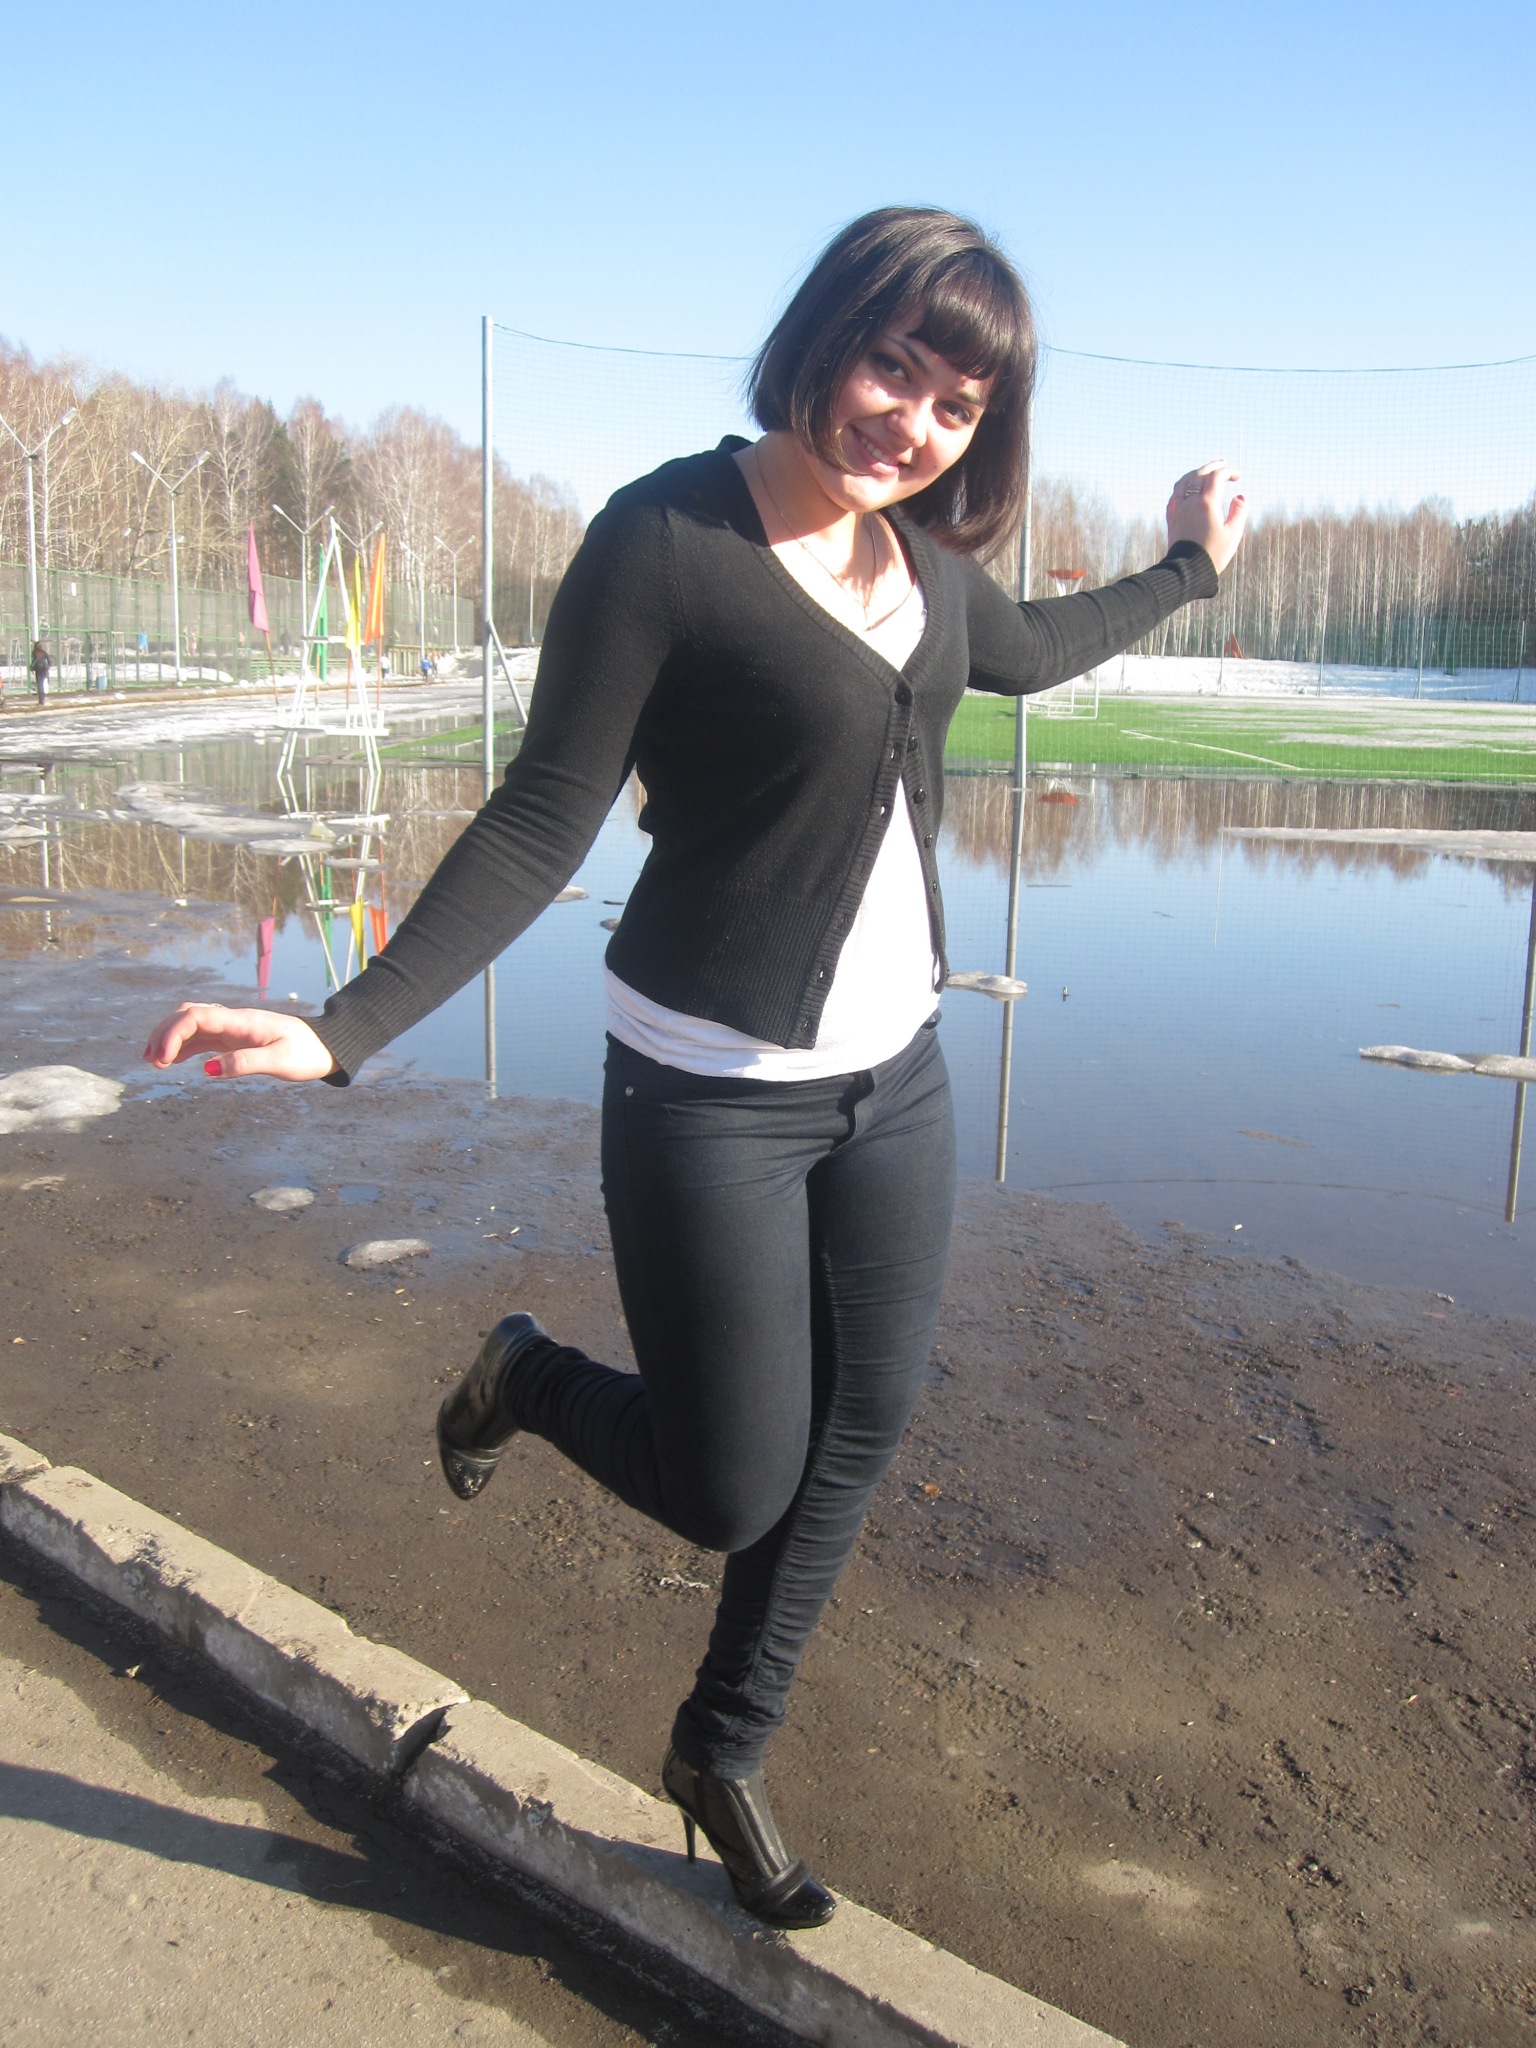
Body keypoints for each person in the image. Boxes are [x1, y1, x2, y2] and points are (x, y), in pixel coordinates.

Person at [144, 207, 1246, 1930]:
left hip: (896, 1079)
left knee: (859, 1430)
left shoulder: (923, 572)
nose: (911, 421)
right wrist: (345, 1024)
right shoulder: (665, 539)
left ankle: (719, 1747)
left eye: (957, 404)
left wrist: (1189, 565)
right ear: (823, 336)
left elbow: (1038, 644)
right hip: (708, 1092)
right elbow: (542, 816)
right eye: (892, 364)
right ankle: (522, 1377)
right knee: (730, 1481)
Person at [29, 640, 50, 707]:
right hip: (45, 669)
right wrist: (48, 667)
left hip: (39, 670)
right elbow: (49, 661)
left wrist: (31, 667)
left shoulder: (35, 652)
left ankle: (41, 701)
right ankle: (42, 700)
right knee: (42, 685)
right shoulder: (44, 652)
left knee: (40, 685)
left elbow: (35, 660)